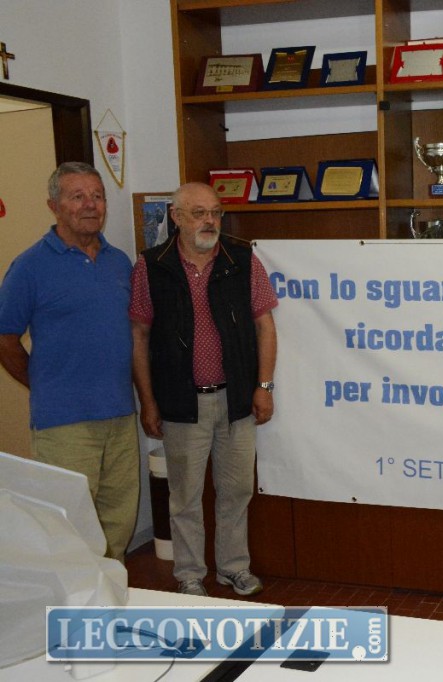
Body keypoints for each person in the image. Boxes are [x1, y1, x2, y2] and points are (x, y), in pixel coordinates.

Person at [130, 182, 278, 597]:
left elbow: (265, 327)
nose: (210, 221)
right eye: (199, 213)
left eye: (215, 212)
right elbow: (139, 336)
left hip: (236, 400)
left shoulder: (242, 260)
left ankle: (233, 568)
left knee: (237, 491)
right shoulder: (151, 267)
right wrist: (148, 401)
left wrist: (264, 386)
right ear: (176, 217)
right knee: (185, 497)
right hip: (181, 403)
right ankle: (190, 575)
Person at [0, 161, 140, 562]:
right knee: (70, 529)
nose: (90, 205)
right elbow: (5, 339)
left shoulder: (119, 262)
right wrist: (44, 384)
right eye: (77, 196)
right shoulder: (29, 266)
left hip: (119, 415)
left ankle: (109, 595)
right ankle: (76, 601)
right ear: (54, 206)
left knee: (117, 522)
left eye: (97, 196)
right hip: (63, 424)